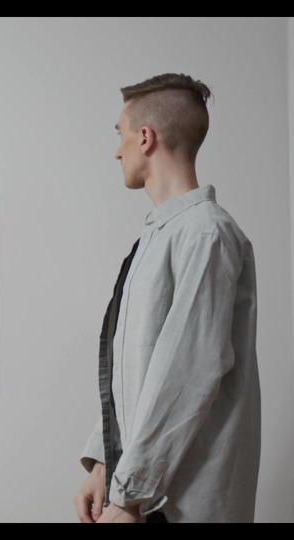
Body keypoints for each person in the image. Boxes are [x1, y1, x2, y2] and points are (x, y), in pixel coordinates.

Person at [73, 73, 261, 523]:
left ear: (145, 137)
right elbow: (139, 373)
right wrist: (104, 464)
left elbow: (188, 372)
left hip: (182, 502)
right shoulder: (158, 237)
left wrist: (129, 494)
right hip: (144, 493)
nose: (117, 151)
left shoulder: (206, 233)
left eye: (119, 134)